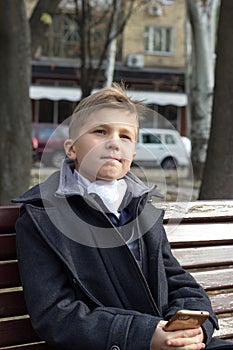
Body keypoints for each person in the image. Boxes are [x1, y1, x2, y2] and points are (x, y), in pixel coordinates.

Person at [13, 84, 232, 350]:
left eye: (125, 136)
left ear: (133, 155)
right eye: (100, 131)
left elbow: (178, 280)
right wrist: (145, 336)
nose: (114, 142)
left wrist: (196, 328)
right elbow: (56, 315)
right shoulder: (42, 215)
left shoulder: (143, 209)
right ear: (71, 149)